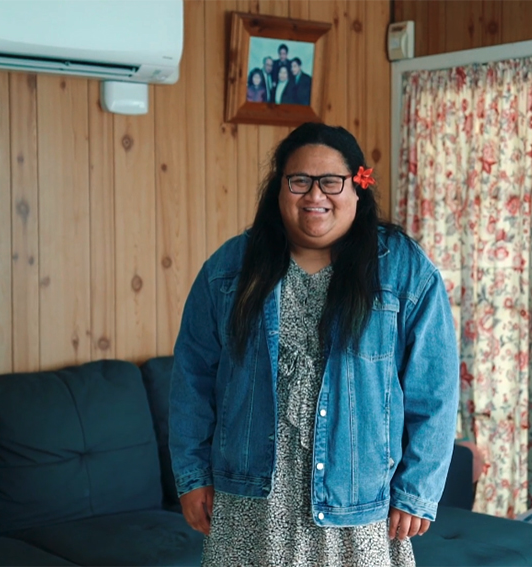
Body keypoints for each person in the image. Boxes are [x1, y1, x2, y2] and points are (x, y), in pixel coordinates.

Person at [169, 123, 459, 566]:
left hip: (357, 506)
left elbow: (433, 391)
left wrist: (418, 490)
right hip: (249, 502)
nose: (314, 196)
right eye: (299, 181)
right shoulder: (230, 268)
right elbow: (192, 377)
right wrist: (191, 477)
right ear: (279, 189)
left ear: (358, 187)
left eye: (331, 182)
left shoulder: (402, 269)